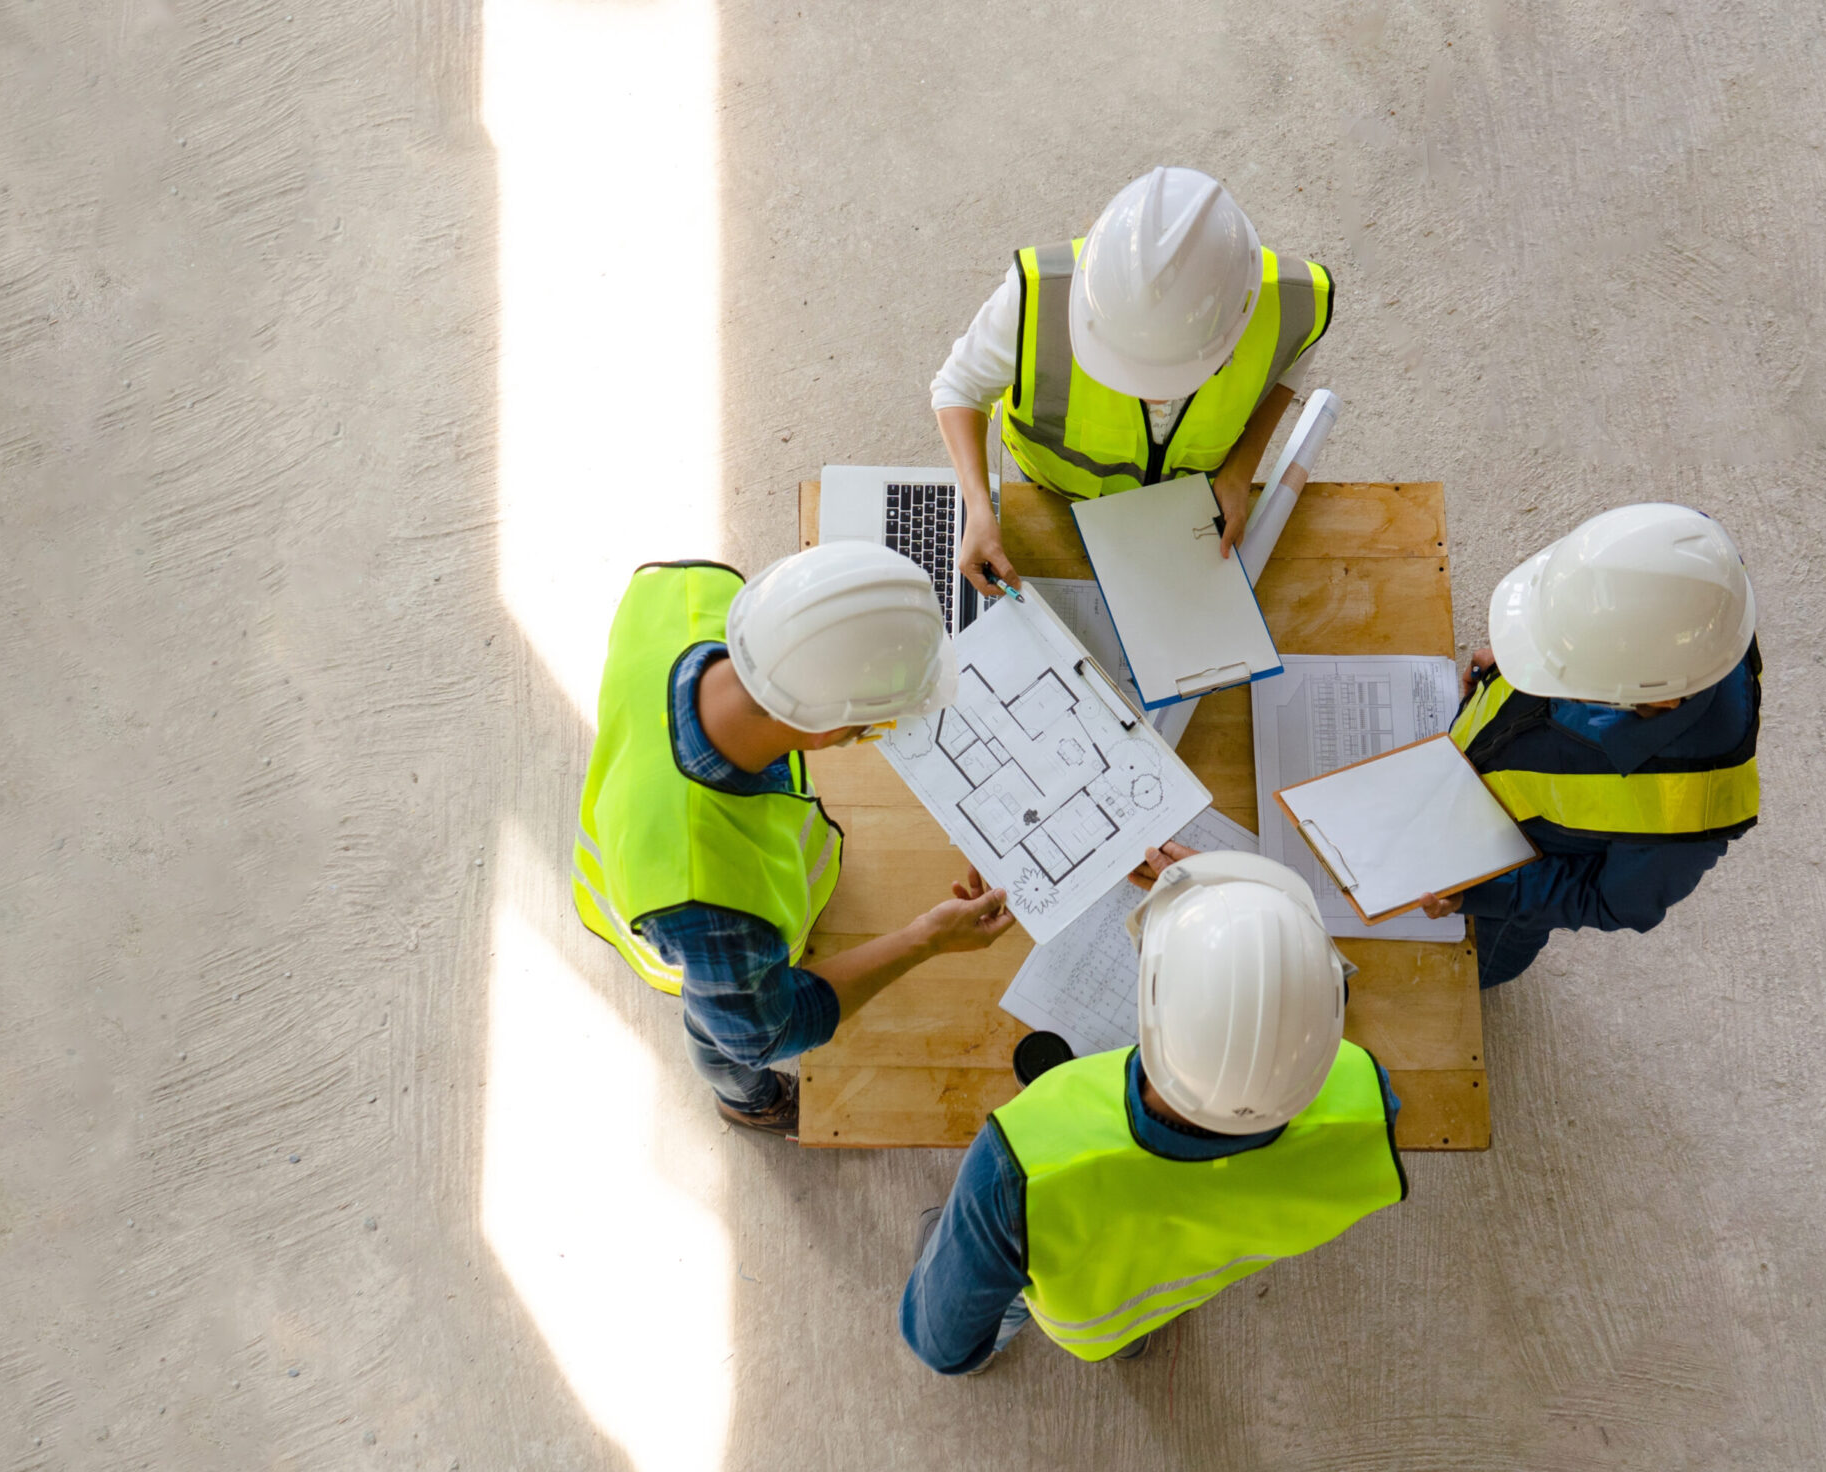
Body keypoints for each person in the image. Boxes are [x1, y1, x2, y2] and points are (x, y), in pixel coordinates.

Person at [901, 849, 1406, 1374]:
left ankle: (1092, 1332)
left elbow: (940, 1343)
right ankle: (1130, 1336)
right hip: (1176, 1284)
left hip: (1088, 1314)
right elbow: (1282, 1012)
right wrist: (1246, 927)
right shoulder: (1366, 1099)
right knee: (1136, 1300)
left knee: (983, 1265)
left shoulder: (1020, 1166)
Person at [572, 545, 1016, 1137]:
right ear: (830, 727)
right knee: (720, 1044)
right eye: (876, 724)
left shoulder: (691, 595)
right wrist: (925, 939)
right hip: (681, 915)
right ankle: (747, 1104)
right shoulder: (709, 903)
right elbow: (767, 1031)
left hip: (678, 830)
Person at [932, 165, 1335, 599]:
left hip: (1180, 508)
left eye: (1173, 375)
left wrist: (1239, 473)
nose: (1151, 395)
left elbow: (1292, 361)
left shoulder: (1292, 305)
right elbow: (960, 387)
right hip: (1054, 489)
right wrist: (978, 505)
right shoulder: (1036, 296)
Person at [1419, 503, 1762, 989]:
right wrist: (1524, 649)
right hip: (1470, 777)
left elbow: (1606, 900)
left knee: (1461, 974)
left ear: (1658, 698)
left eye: (1566, 677)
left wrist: (1483, 892)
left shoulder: (1690, 807)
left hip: (1504, 893)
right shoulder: (1691, 571)